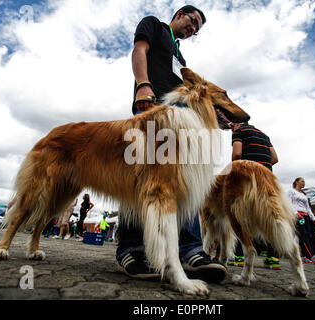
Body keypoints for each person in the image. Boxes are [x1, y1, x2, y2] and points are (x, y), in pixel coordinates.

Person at [117, 5, 227, 283]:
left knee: (183, 180)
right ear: (179, 14)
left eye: (197, 29)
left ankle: (189, 249)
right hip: (151, 108)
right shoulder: (153, 24)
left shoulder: (181, 55)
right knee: (139, 176)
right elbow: (139, 50)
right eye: (192, 22)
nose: (193, 29)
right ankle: (131, 248)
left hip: (179, 119)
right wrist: (143, 83)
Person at [230, 121, 281, 270]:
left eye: (232, 125)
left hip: (247, 180)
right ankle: (271, 257)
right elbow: (275, 158)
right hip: (267, 179)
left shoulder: (239, 132)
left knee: (241, 216)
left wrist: (236, 170)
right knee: (266, 218)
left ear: (238, 124)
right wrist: (261, 166)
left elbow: (237, 154)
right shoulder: (264, 135)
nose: (231, 128)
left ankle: (239, 256)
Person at [287, 178, 315, 264]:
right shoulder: (291, 191)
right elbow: (288, 202)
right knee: (304, 235)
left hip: (306, 216)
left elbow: (308, 208)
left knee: (307, 236)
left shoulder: (304, 195)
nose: (304, 183)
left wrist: (314, 219)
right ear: (296, 182)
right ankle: (311, 255)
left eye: (304, 181)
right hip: (298, 216)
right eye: (302, 181)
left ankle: (304, 256)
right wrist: (295, 213)